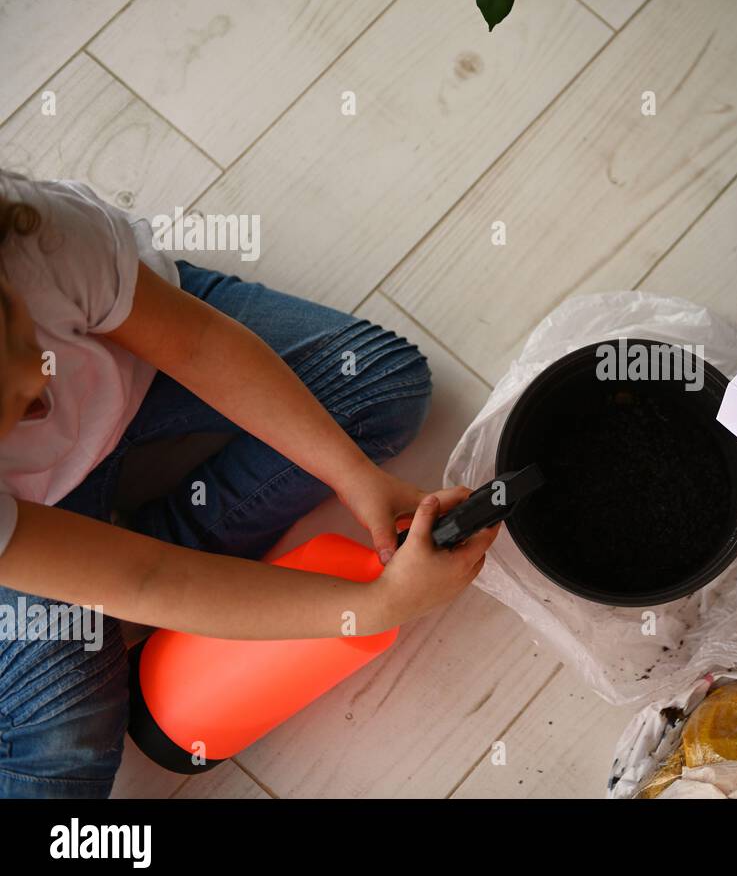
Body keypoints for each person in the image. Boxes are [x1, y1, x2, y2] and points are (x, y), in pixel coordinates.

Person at [0, 174, 497, 797]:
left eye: (22, 342)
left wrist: (352, 475)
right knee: (61, 731)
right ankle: (100, 576)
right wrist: (379, 608)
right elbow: (145, 579)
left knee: (376, 386)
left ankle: (116, 571)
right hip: (34, 517)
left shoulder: (33, 235)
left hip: (140, 357)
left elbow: (201, 344)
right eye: (11, 414)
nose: (38, 394)